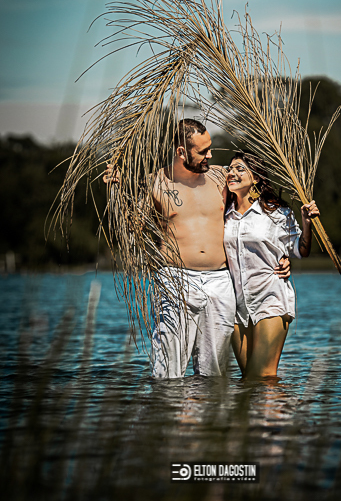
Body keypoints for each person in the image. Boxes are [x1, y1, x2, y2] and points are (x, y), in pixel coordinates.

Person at [104, 119, 291, 379]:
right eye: (203, 151)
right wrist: (115, 191)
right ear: (182, 152)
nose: (210, 155)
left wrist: (281, 254)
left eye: (210, 148)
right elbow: (130, 227)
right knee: (168, 370)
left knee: (213, 374)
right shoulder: (155, 183)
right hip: (175, 280)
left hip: (220, 283)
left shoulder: (220, 177)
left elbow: (259, 207)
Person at [223, 151, 320, 379]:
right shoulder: (224, 214)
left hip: (270, 297)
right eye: (230, 168)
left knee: (265, 376)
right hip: (236, 305)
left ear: (256, 177)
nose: (232, 173)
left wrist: (307, 223)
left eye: (240, 168)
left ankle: (281, 405)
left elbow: (300, 250)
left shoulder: (276, 213)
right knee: (249, 380)